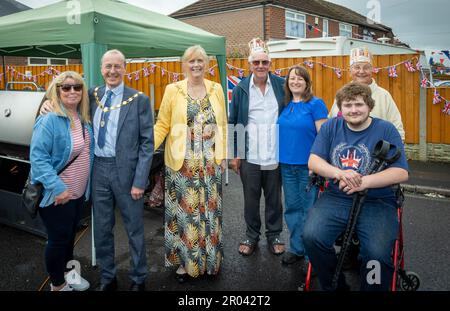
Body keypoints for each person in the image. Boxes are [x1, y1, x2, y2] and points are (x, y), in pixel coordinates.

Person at [40, 49, 154, 291]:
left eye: (117, 66)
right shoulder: (91, 94)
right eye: (108, 67)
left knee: (134, 228)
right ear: (102, 69)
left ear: (125, 69)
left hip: (127, 173)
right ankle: (108, 277)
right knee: (102, 229)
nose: (112, 71)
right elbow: (63, 96)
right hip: (98, 169)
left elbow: (147, 144)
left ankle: (138, 279)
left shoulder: (139, 100)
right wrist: (47, 103)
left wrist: (140, 181)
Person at [302, 82, 409, 291]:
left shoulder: (386, 129)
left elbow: (401, 172)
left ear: (369, 105)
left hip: (377, 200)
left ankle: (373, 288)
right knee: (311, 237)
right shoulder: (331, 126)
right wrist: (339, 173)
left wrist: (364, 182)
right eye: (348, 105)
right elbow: (314, 161)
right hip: (336, 197)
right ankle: (336, 286)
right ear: (341, 108)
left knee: (376, 255)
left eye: (358, 104)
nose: (353, 110)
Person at [154, 45, 227, 283]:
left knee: (209, 214)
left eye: (200, 61)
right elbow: (163, 123)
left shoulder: (216, 89)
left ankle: (209, 262)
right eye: (191, 61)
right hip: (181, 163)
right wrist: (146, 147)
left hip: (209, 162)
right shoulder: (173, 90)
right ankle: (186, 264)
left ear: (206, 64)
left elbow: (224, 125)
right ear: (184, 64)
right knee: (185, 216)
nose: (196, 65)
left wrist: (224, 154)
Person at [30, 71, 94, 291]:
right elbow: (38, 159)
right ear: (56, 91)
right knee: (58, 240)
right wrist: (57, 188)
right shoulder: (49, 119)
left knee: (68, 238)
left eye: (77, 87)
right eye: (66, 87)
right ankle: (57, 285)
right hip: (57, 194)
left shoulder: (83, 118)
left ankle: (69, 274)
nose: (72, 91)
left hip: (77, 194)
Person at [229, 38, 286, 256]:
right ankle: (251, 235)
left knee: (274, 199)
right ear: (249, 64)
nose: (260, 66)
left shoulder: (281, 85)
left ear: (270, 63)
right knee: (251, 200)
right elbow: (234, 121)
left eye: (264, 62)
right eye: (256, 62)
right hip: (250, 155)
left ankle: (274, 235)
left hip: (274, 153)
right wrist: (236, 154)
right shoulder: (241, 88)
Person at [277, 66, 328, 267]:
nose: (295, 81)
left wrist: (318, 163)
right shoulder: (286, 104)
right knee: (292, 209)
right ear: (287, 82)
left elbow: (323, 137)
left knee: (309, 209)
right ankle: (297, 248)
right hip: (286, 165)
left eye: (300, 78)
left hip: (308, 167)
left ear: (307, 82)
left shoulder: (316, 104)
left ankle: (311, 254)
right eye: (292, 78)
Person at [328, 47, 405, 141]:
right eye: (357, 67)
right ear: (350, 71)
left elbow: (397, 129)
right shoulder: (341, 95)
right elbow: (331, 123)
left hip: (376, 152)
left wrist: (392, 151)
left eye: (366, 68)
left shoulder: (384, 96)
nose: (361, 71)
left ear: (372, 70)